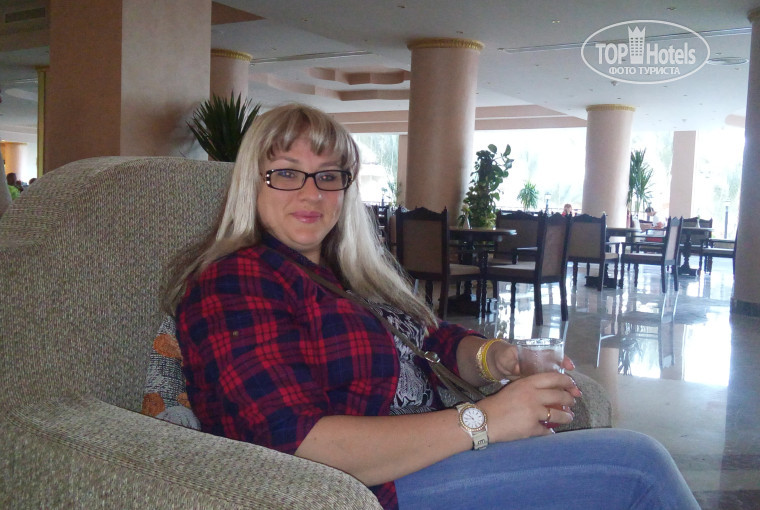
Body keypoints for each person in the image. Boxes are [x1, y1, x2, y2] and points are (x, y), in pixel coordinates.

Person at [164, 104, 699, 510]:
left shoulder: (349, 274)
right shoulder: (237, 280)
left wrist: (501, 359)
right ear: (251, 183)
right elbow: (295, 441)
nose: (312, 193)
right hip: (371, 487)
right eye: (286, 172)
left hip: (434, 453)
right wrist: (485, 420)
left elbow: (436, 340)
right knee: (638, 466)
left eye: (329, 175)